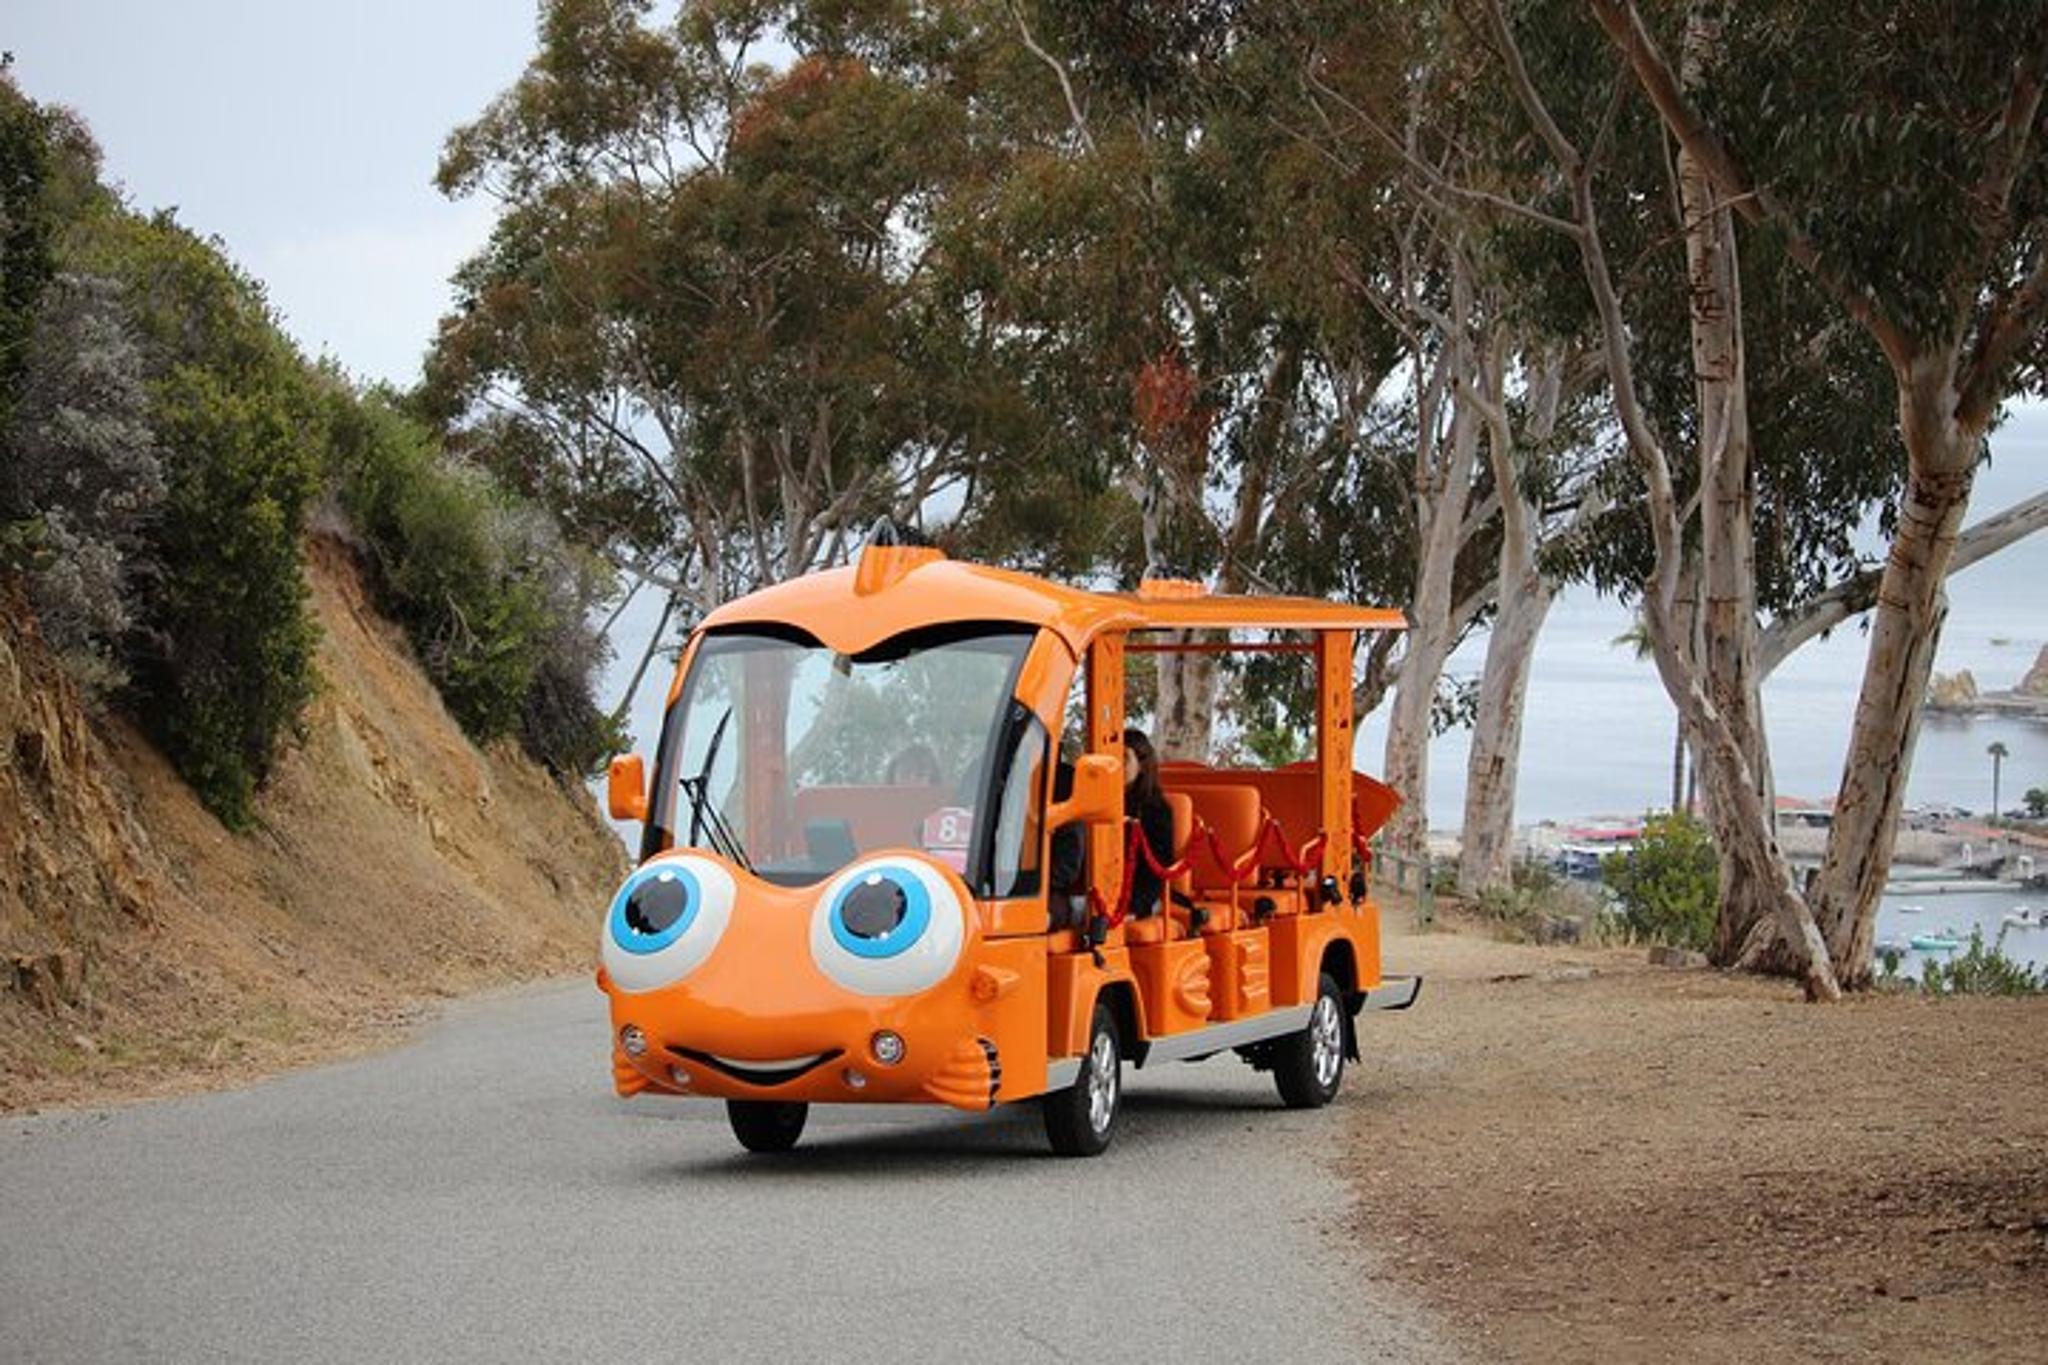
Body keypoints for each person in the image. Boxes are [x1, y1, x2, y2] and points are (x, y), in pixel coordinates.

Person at [1123, 728, 1176, 919]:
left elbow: (1157, 868)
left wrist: (1134, 907)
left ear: (1142, 765)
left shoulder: (1157, 810)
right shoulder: (1097, 803)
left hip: (1139, 899)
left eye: (1124, 758)